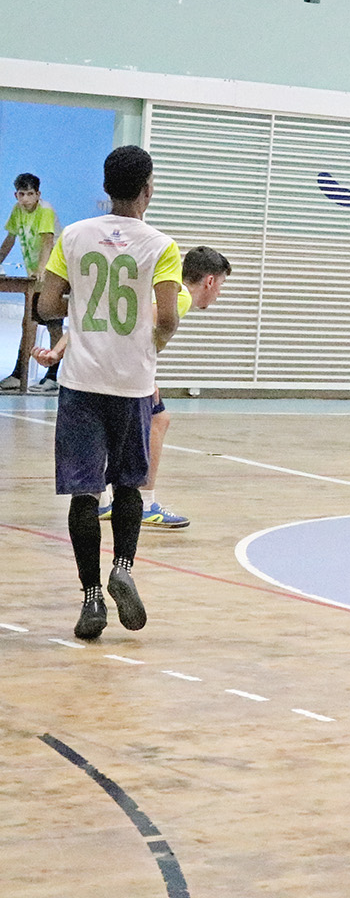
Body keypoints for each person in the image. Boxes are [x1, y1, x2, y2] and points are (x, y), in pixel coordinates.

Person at [35, 146, 181, 641]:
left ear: (105, 187)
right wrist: (153, 343)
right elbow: (167, 317)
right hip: (132, 383)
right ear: (148, 189)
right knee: (129, 485)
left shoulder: (74, 236)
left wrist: (81, 307)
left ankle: (91, 598)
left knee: (84, 491)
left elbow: (47, 304)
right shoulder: (161, 245)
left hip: (81, 382)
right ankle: (123, 567)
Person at [37, 246, 232, 533]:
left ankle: (103, 500)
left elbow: (97, 316)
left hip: (96, 365)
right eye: (221, 285)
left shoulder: (154, 290)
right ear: (210, 281)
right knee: (157, 420)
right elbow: (137, 328)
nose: (219, 294)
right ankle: (145, 503)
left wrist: (57, 352)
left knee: (126, 426)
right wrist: (146, 377)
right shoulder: (178, 297)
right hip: (120, 371)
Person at [1, 172, 63, 393]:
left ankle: (53, 377)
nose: (25, 199)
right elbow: (9, 240)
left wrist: (41, 271)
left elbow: (47, 242)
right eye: (21, 194)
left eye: (30, 194)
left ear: (38, 194)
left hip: (55, 272)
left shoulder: (45, 210)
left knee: (52, 322)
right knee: (28, 322)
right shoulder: (17, 211)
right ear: (16, 195)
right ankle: (19, 374)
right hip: (35, 274)